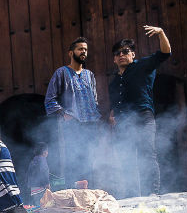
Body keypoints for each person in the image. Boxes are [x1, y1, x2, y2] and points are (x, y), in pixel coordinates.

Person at [108, 26, 171, 197]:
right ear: (114, 59)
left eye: (125, 51)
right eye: (118, 53)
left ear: (132, 54)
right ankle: (132, 194)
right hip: (123, 122)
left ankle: (152, 193)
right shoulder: (114, 82)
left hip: (143, 117)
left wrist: (161, 33)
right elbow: (115, 103)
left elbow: (165, 53)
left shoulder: (142, 66)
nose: (121, 55)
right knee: (126, 158)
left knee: (147, 153)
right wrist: (112, 115)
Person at [44, 37, 101, 187]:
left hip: (90, 125)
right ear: (71, 53)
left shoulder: (90, 75)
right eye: (80, 49)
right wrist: (65, 114)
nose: (83, 52)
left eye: (85, 49)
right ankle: (73, 196)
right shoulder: (61, 73)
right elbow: (50, 99)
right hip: (72, 125)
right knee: (72, 159)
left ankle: (88, 196)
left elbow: (95, 101)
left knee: (89, 159)